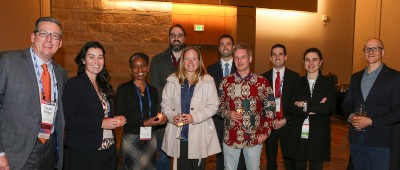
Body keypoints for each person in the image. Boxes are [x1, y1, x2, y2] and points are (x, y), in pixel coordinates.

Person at [0, 17, 67, 170]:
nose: (49, 39)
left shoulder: (61, 73)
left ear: (60, 43)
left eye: (55, 36)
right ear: (33, 36)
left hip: (49, 151)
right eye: (43, 33)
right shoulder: (7, 62)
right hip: (14, 154)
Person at [62, 41, 126, 170]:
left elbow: (103, 114)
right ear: (83, 60)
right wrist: (101, 123)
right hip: (85, 154)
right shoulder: (75, 84)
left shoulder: (104, 85)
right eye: (91, 57)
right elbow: (67, 120)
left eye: (100, 57)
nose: (96, 61)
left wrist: (115, 120)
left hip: (108, 151)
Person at [342, 38, 400, 170]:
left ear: (383, 52)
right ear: (364, 53)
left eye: (375, 48)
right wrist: (351, 116)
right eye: (368, 49)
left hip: (380, 141)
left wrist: (372, 121)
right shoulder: (355, 77)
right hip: (356, 141)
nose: (371, 52)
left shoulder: (395, 77)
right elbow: (347, 104)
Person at [217, 43, 275, 170]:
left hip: (254, 137)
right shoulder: (226, 82)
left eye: (243, 57)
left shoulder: (262, 82)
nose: (239, 61)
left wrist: (265, 133)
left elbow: (270, 110)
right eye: (236, 57)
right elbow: (218, 108)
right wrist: (228, 113)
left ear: (250, 58)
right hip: (231, 137)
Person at [161, 46, 221, 170]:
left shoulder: (208, 81)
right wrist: (172, 117)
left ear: (199, 62)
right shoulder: (172, 80)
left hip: (199, 133)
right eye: (187, 59)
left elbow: (213, 106)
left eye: (194, 59)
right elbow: (165, 104)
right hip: (179, 135)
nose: (190, 62)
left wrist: (194, 117)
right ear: (182, 62)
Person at [115, 52, 167, 169]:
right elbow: (118, 116)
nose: (140, 69)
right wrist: (144, 123)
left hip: (150, 138)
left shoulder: (153, 91)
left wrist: (161, 120)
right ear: (131, 69)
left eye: (143, 65)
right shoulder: (123, 89)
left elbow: (153, 114)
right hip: (131, 138)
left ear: (147, 68)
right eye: (135, 66)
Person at [285, 47, 334, 170]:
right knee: (299, 166)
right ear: (303, 63)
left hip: (319, 133)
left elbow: (328, 108)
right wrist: (317, 106)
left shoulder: (327, 82)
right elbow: (290, 107)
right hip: (298, 132)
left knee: (316, 166)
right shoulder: (297, 82)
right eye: (307, 60)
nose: (311, 63)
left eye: (314, 59)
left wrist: (303, 104)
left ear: (320, 62)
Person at [207, 34, 247, 170]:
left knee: (240, 156)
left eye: (228, 44)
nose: (225, 47)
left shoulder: (241, 67)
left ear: (233, 47)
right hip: (218, 120)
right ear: (219, 48)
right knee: (220, 156)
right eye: (222, 44)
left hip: (238, 119)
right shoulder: (209, 70)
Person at [150, 24, 186, 170]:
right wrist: (170, 112)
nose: (176, 38)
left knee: (185, 159)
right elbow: (156, 89)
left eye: (179, 35)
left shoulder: (193, 59)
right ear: (169, 38)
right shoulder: (158, 60)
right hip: (164, 118)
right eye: (173, 35)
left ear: (184, 38)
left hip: (187, 118)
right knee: (163, 160)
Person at [261, 44, 300, 170]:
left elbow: (296, 103)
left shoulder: (295, 77)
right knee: (270, 160)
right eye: (274, 54)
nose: (277, 57)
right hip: (270, 125)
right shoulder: (263, 78)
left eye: (280, 54)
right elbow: (260, 103)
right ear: (270, 58)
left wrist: (285, 119)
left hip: (287, 123)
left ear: (286, 57)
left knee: (289, 161)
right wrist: (271, 121)